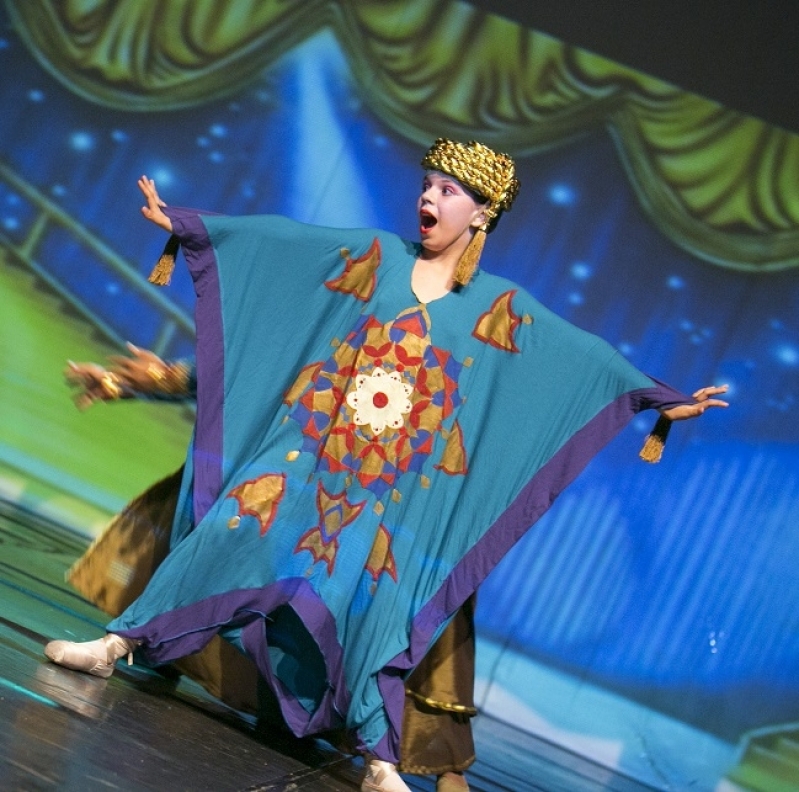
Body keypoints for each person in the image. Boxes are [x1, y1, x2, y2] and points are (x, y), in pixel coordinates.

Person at [45, 138, 728, 792]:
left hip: (380, 497)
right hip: (301, 465)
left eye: (448, 190)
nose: (428, 197)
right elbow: (285, 248)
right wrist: (195, 229)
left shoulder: (499, 311)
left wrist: (658, 398)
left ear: (481, 212)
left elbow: (578, 360)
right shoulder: (373, 259)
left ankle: (378, 759)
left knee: (377, 611)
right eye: (427, 185)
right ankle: (113, 646)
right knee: (227, 538)